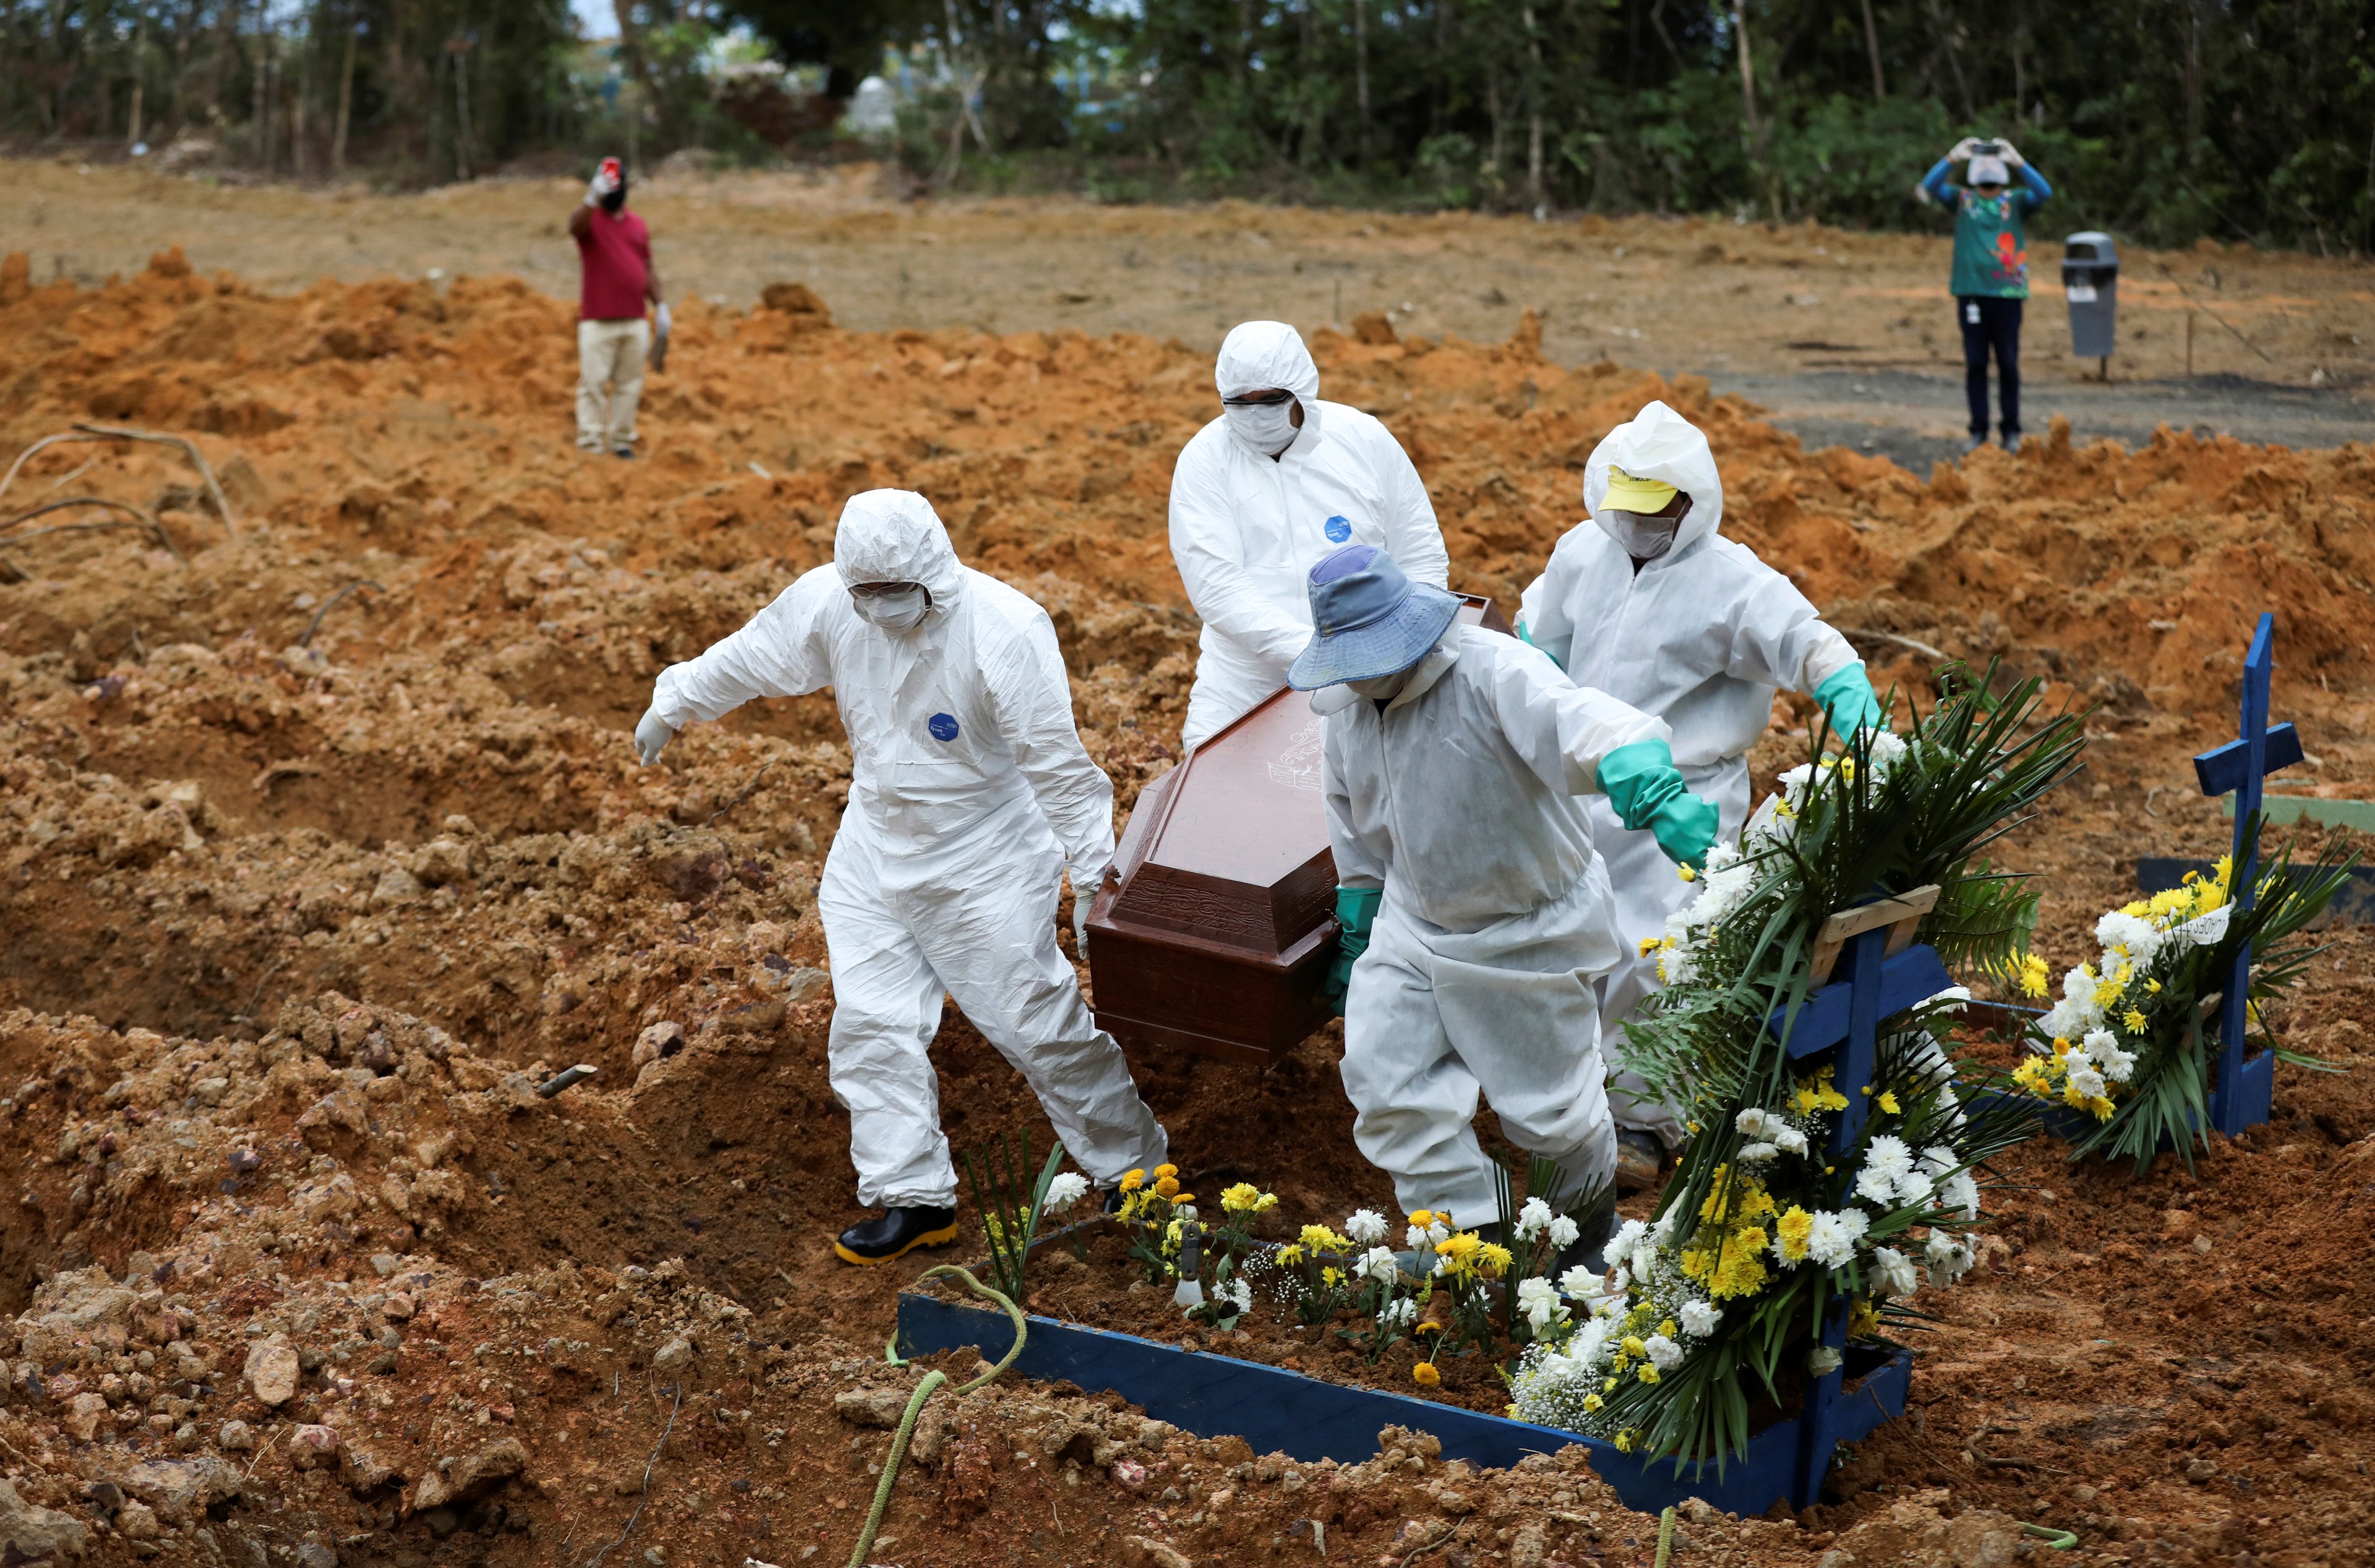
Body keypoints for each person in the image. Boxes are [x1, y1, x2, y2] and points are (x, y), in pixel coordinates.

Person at [633, 489, 1168, 1265]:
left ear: (934, 575)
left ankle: (1137, 1170)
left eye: (896, 593)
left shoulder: (1005, 630)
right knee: (872, 1023)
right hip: (875, 838)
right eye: (868, 594)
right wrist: (675, 701)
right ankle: (912, 1195)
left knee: (1033, 1022)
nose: (881, 608)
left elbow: (1060, 768)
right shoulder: (831, 605)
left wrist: (1095, 879)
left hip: (982, 851)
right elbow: (754, 654)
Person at [1296, 542, 1718, 1256]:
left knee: (1556, 1117)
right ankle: (1473, 1240)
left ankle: (1581, 1241)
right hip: (1416, 923)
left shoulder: (1493, 671)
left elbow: (1584, 721)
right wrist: (1361, 919)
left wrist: (1649, 779)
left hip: (1531, 927)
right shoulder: (1349, 711)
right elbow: (1354, 819)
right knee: (1389, 1084)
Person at [1517, 399, 1881, 1191]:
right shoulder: (1584, 552)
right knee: (1569, 945)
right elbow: (1538, 640)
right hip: (1584, 785)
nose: (1637, 527)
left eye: (1656, 512)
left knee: (1657, 957)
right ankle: (1567, 1107)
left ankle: (1641, 1119)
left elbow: (1809, 641)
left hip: (1683, 803)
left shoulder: (1733, 583)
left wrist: (1845, 687)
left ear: (1691, 504)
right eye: (1627, 509)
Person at [1168, 320, 1450, 749]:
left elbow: (1420, 551)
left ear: (1302, 389)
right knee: (1214, 785)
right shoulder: (1204, 462)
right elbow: (1217, 588)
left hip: (1373, 671)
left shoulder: (1363, 440)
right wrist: (1316, 655)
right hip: (1247, 680)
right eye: (1241, 404)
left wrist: (1402, 650)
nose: (1257, 414)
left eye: (1271, 401)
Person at [1919, 138, 2052, 452]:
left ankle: (2011, 430)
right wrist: (1954, 156)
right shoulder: (1963, 200)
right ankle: (1978, 430)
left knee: (2008, 362)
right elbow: (1929, 186)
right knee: (1976, 364)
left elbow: (2044, 193)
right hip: (1971, 294)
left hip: (2007, 295)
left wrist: (2018, 160)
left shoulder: (2015, 202)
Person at [568, 156, 670, 459]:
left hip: (634, 318)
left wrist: (661, 305)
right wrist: (591, 197)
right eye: (608, 182)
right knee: (594, 383)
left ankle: (622, 440)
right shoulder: (591, 220)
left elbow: (648, 266)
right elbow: (575, 227)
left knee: (629, 385)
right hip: (598, 320)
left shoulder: (637, 224)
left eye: (617, 182)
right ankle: (591, 440)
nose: (614, 189)